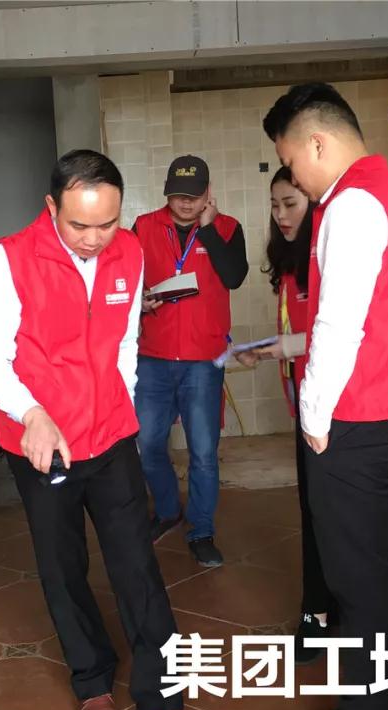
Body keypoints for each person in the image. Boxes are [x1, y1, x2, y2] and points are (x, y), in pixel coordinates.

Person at [0, 149, 203, 710]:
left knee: (137, 563)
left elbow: (124, 339)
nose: (96, 238)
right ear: (51, 207)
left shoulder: (129, 251)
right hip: (40, 443)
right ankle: (92, 679)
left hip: (110, 436)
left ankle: (163, 696)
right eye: (80, 225)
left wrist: (122, 408)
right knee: (63, 564)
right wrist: (32, 414)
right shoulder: (7, 260)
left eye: (108, 223)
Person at [260, 84, 388, 710]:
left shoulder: (348, 205)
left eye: (292, 161)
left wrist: (315, 415)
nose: (297, 178)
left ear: (316, 142)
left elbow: (339, 323)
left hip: (363, 418)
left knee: (357, 573)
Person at [235, 167, 334, 664]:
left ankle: (330, 613)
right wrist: (273, 349)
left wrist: (282, 347)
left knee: (334, 514)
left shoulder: (329, 256)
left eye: (290, 203)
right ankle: (318, 609)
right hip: (307, 403)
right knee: (314, 510)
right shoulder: (292, 261)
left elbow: (338, 333)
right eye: (275, 205)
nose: (281, 214)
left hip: (338, 408)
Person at [132, 156, 250, 567]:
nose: (185, 203)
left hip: (203, 359)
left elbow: (234, 276)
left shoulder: (228, 227)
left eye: (194, 196)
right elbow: (126, 280)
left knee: (203, 451)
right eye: (178, 196)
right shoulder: (144, 227)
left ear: (208, 193)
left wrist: (209, 229)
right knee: (147, 443)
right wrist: (139, 301)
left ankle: (201, 530)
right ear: (167, 193)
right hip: (153, 356)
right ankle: (168, 511)